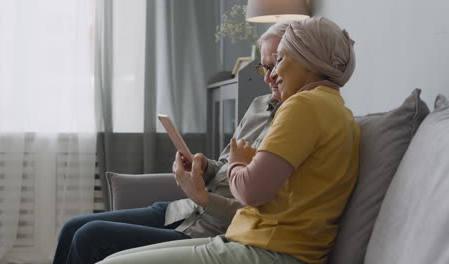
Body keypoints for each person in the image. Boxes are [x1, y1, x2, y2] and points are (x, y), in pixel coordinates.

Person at [95, 16, 360, 264]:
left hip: (269, 250)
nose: (273, 73)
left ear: (307, 59)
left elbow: (250, 190)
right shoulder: (339, 111)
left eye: (280, 60)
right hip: (256, 241)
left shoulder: (303, 106)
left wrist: (237, 162)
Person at [52, 21, 292, 264]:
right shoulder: (259, 106)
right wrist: (203, 166)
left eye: (277, 65)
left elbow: (257, 210)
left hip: (208, 228)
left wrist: (202, 197)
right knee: (72, 227)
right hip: (182, 210)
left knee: (88, 237)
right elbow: (225, 164)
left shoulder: (295, 126)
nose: (269, 78)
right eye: (264, 68)